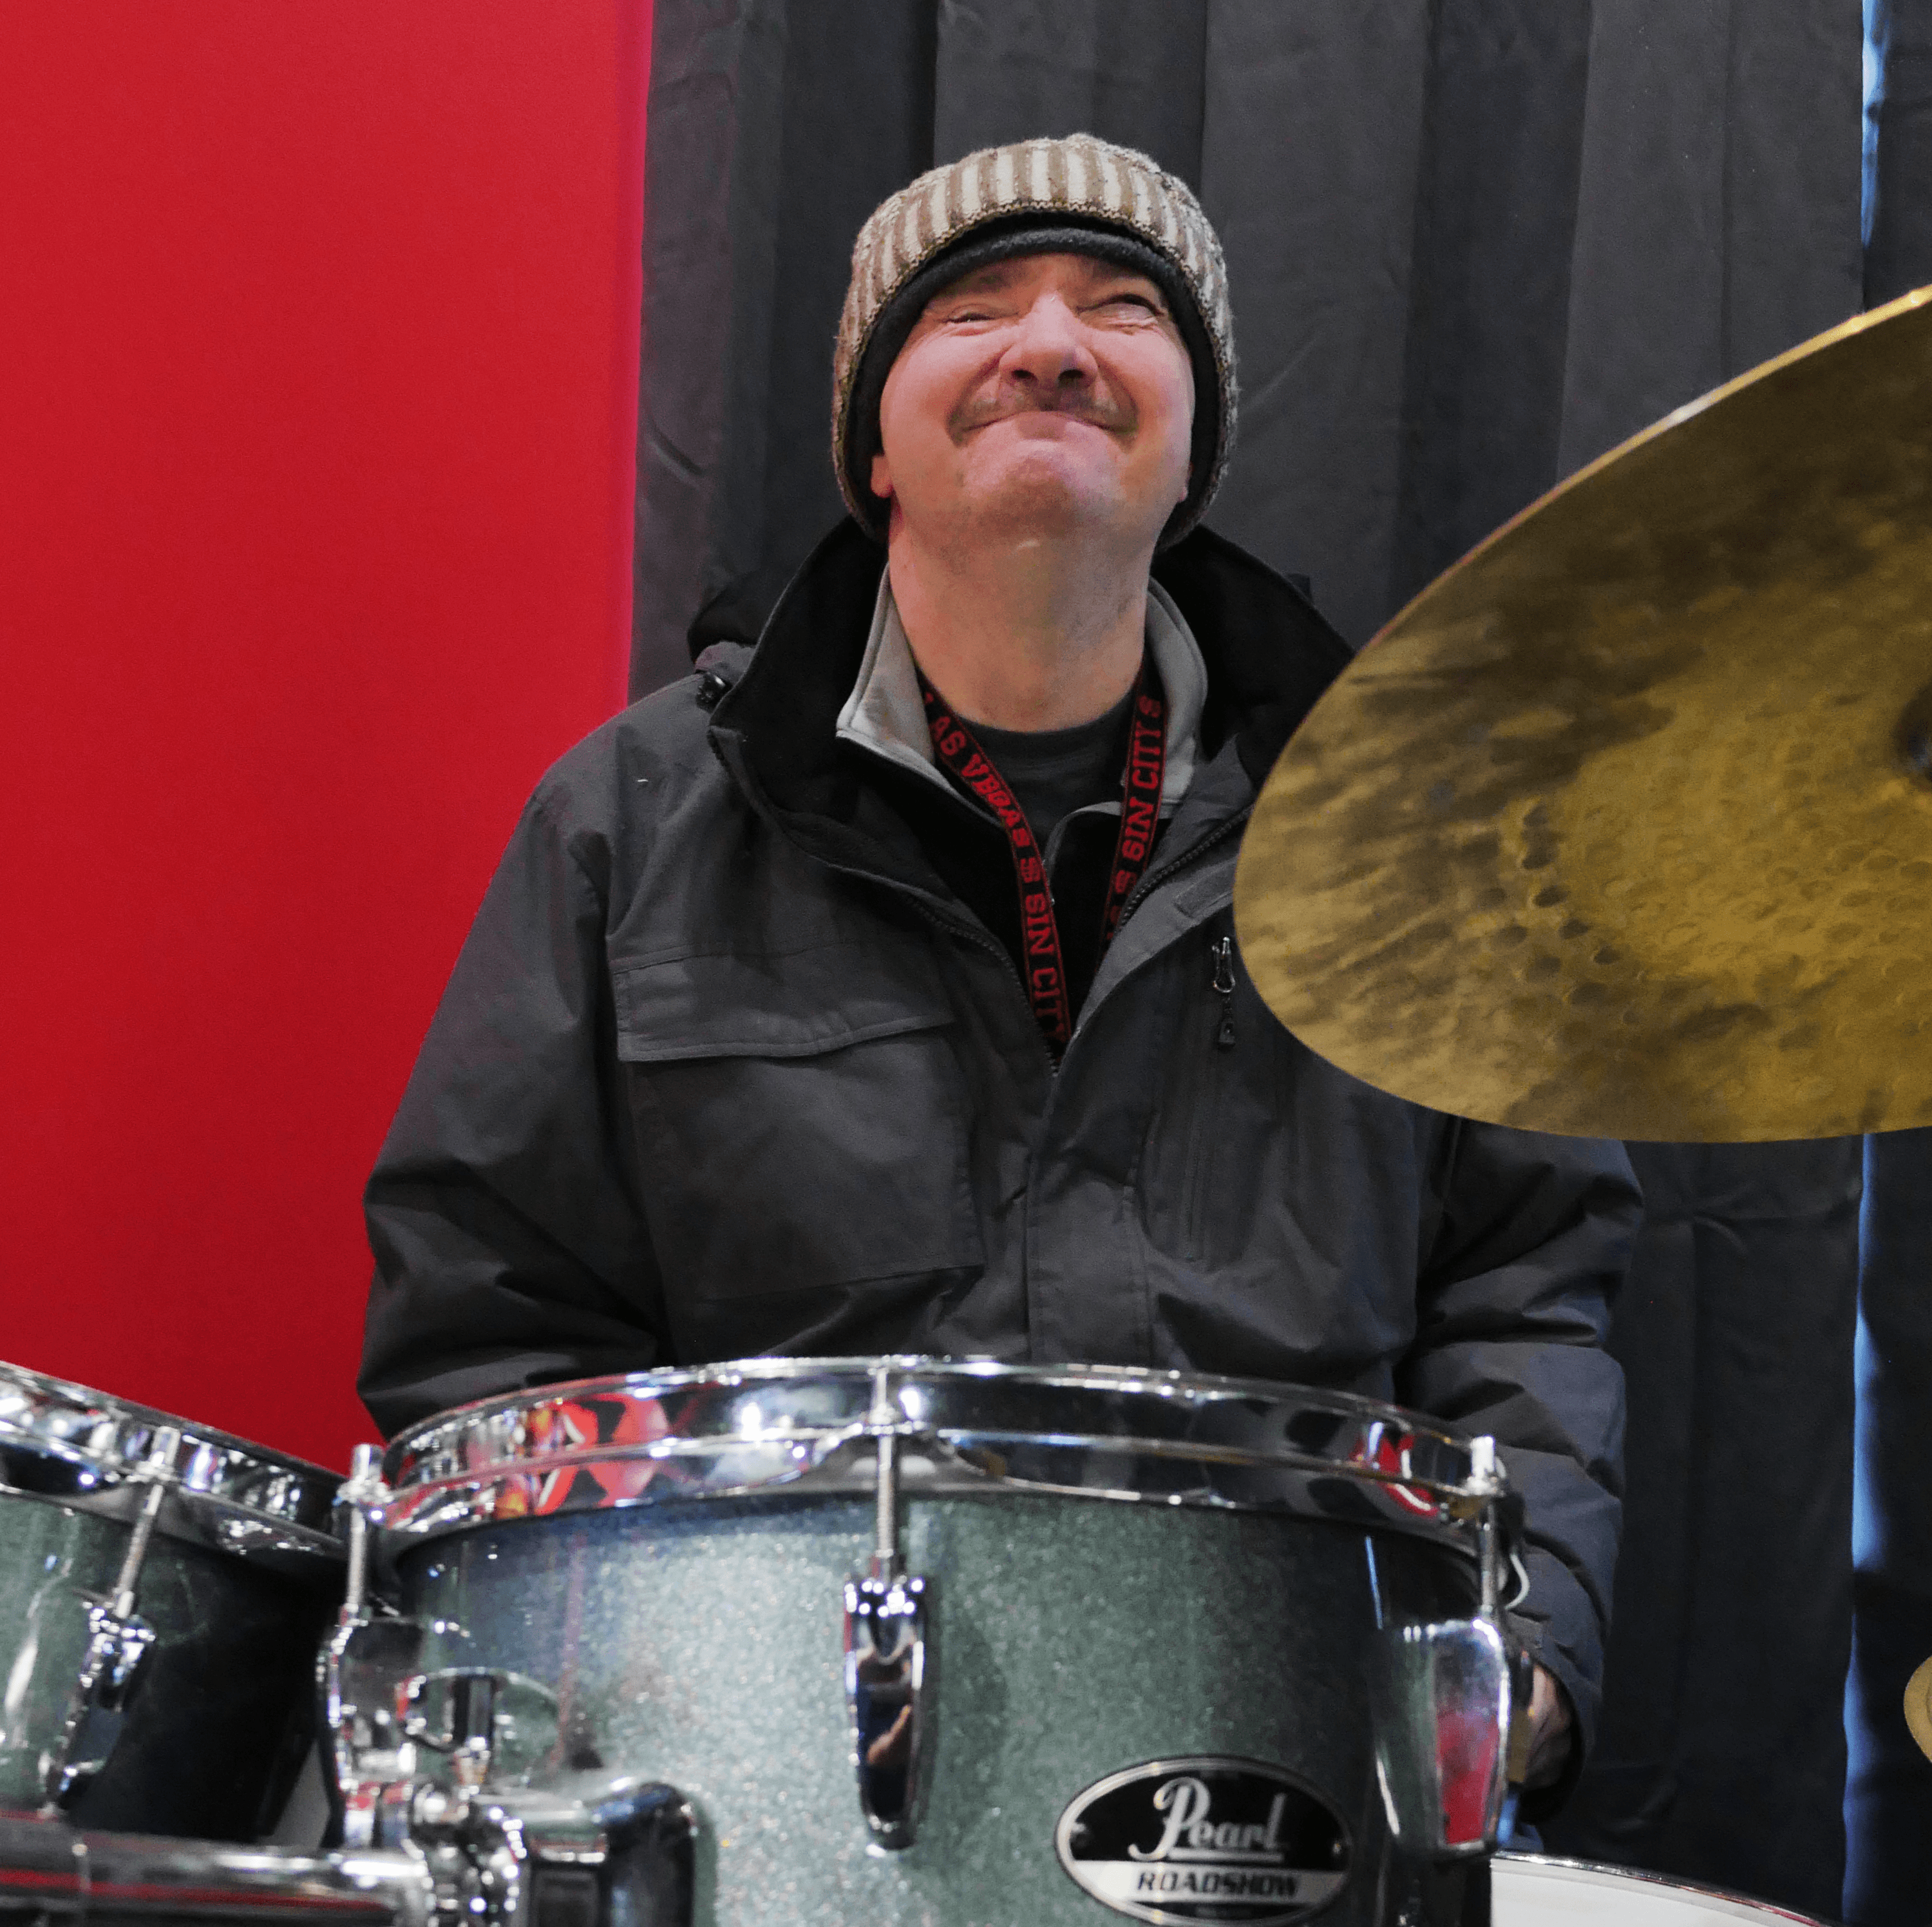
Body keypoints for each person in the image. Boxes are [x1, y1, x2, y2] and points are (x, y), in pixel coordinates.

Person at [360, 134, 1636, 1803]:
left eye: (1124, 308)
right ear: (871, 446)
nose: (1051, 345)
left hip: (1293, 1772)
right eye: (972, 308)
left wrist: (1520, 1649)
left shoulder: (1415, 830)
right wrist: (621, 1679)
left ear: (1195, 445)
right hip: (773, 1778)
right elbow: (491, 1323)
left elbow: (1528, 1288)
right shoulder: (630, 824)